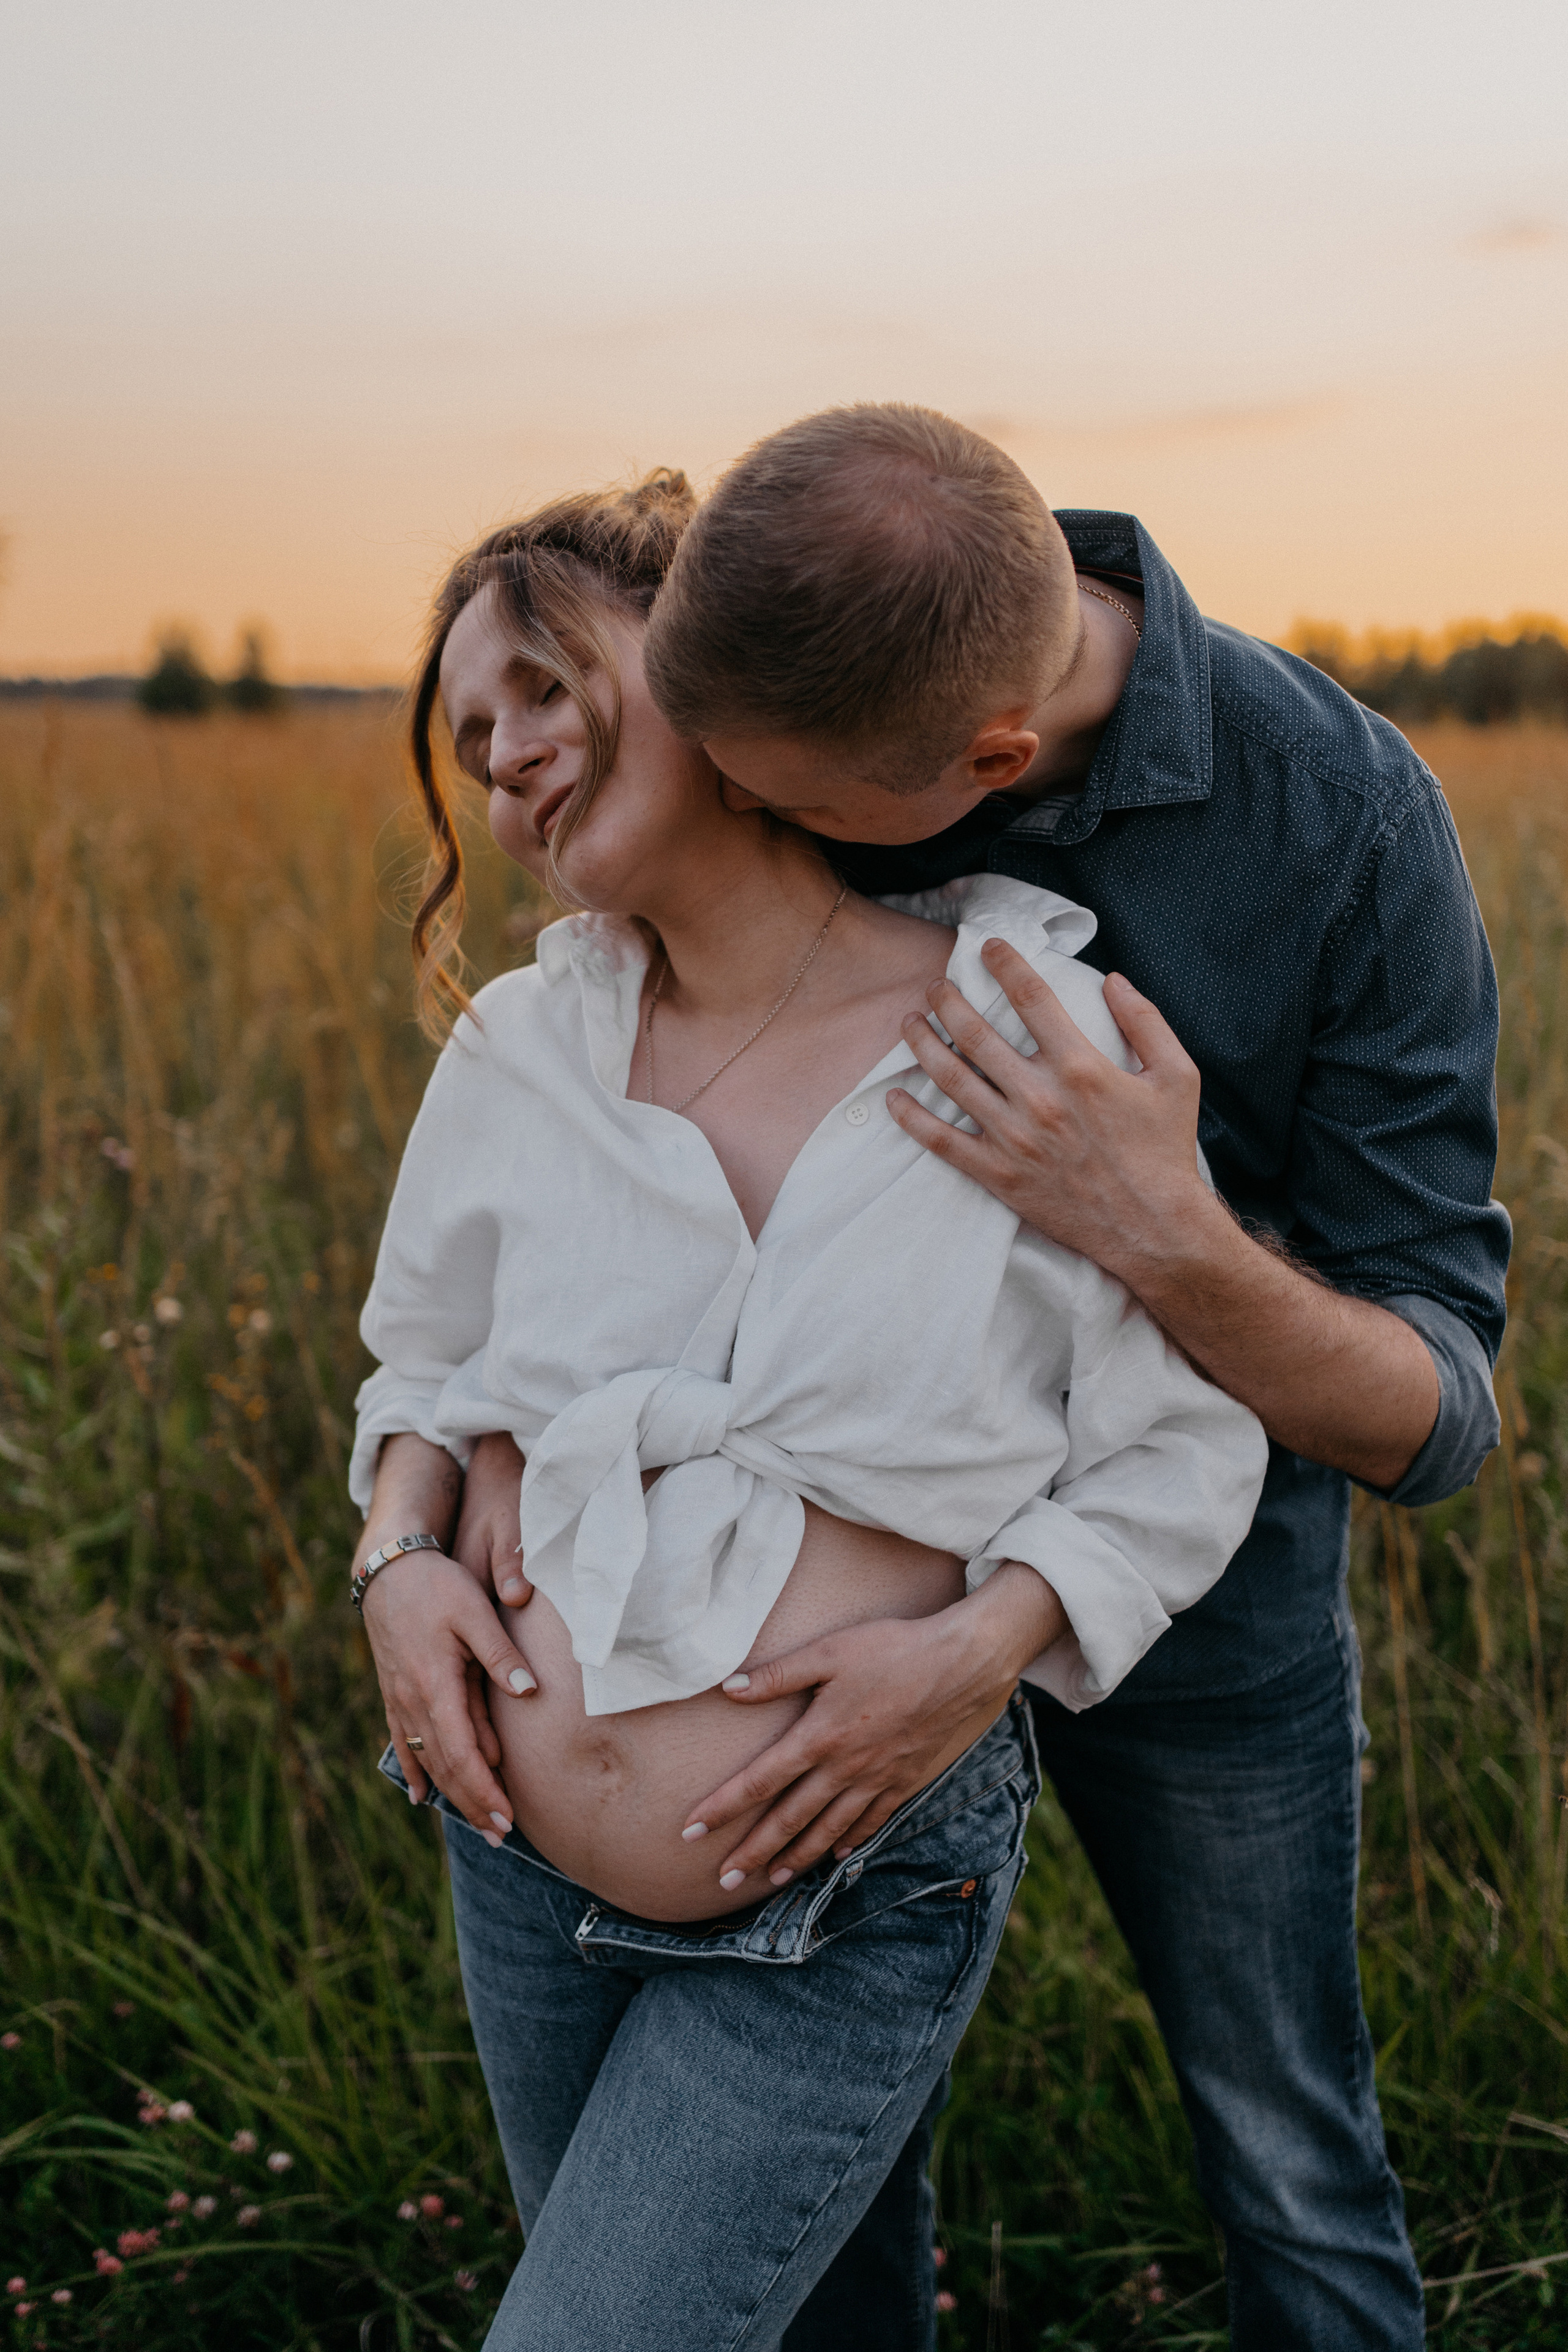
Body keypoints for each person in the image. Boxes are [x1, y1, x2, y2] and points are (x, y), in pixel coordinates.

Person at [585, 402, 1498, 2350]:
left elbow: (1438, 1417)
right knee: (821, 2189)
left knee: (1287, 2146)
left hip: (1208, 1619)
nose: (759, 834)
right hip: (801, 1611)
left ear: (991, 765)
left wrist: (1155, 1221)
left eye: (801, 813)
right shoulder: (801, 672)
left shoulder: (1343, 823)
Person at [349, 472, 1268, 2349]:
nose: (507, 756)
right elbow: (424, 1364)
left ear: (709, 672)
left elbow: (1183, 1441)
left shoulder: (1029, 1029)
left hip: (845, 1881)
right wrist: (396, 1560)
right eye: (469, 734)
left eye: (542, 685)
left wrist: (984, 1654)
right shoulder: (523, 1047)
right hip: (514, 1860)